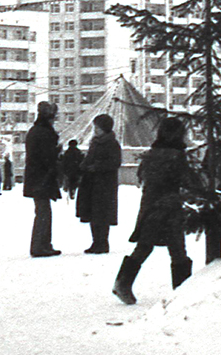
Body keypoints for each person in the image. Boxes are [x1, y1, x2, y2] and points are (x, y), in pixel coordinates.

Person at [113, 116, 193, 303]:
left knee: (146, 246)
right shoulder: (176, 155)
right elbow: (188, 181)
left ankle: (123, 283)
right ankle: (182, 294)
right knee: (177, 250)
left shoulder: (152, 153)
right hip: (170, 208)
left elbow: (142, 177)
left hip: (150, 206)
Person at [77, 113, 121, 254]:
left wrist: (97, 167)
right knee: (93, 213)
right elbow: (89, 158)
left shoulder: (112, 143)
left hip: (104, 184)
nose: (95, 130)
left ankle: (102, 243)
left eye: (97, 127)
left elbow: (115, 162)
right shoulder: (95, 142)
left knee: (101, 214)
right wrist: (82, 166)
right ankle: (96, 242)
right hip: (91, 182)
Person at [25, 101, 62, 257]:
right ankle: (40, 246)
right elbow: (47, 158)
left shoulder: (34, 131)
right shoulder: (45, 133)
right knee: (43, 213)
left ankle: (43, 245)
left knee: (42, 212)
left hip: (35, 178)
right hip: (43, 178)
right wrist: (57, 152)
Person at [60, 138, 84, 203]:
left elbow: (64, 162)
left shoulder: (67, 152)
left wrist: (64, 170)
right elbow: (81, 161)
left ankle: (70, 191)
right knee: (75, 183)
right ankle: (73, 192)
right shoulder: (78, 152)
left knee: (70, 182)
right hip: (76, 170)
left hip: (69, 171)